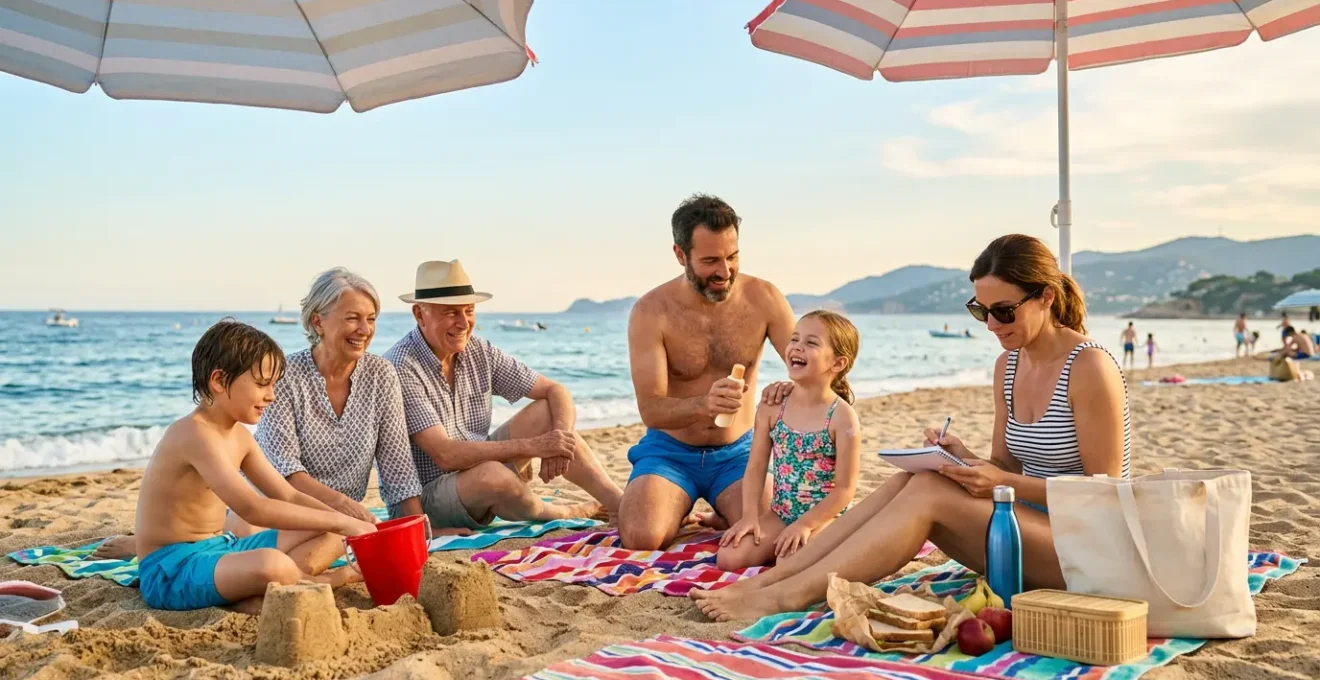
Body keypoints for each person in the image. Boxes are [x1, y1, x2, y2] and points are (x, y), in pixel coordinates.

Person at [692, 234, 1130, 622]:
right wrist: (965, 459)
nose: (993, 325)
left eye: (1004, 311)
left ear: (1047, 297)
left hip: (1087, 550)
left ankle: (789, 594)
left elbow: (1103, 491)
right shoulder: (1009, 364)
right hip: (1019, 530)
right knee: (916, 476)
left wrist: (1001, 479)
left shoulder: (1088, 366)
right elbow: (1006, 466)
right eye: (981, 311)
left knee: (927, 491)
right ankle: (773, 580)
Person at [133, 320, 376, 613]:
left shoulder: (239, 437)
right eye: (262, 384)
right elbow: (252, 507)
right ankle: (322, 580)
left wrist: (346, 524)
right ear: (219, 381)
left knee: (334, 536)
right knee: (274, 564)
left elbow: (289, 496)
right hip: (172, 569)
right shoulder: (193, 433)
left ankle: (262, 591)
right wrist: (342, 521)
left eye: (273, 385)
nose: (271, 395)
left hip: (222, 548)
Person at [384, 259, 624, 531]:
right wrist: (536, 447)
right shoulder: (401, 367)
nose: (464, 323)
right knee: (492, 475)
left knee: (547, 411)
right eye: (451, 312)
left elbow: (556, 390)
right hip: (428, 498)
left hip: (478, 468)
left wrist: (558, 439)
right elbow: (446, 455)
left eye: (469, 310)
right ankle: (565, 511)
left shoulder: (478, 351)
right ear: (419, 314)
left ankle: (619, 504)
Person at [619, 193, 796, 550]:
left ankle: (721, 508)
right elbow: (650, 409)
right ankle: (677, 501)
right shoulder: (651, 312)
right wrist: (704, 404)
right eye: (711, 260)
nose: (725, 271)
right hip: (669, 451)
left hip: (741, 452)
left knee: (766, 535)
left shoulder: (764, 298)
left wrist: (791, 391)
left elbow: (809, 367)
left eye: (732, 257)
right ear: (680, 255)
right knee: (642, 538)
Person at [715, 311, 861, 571]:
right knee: (729, 558)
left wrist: (805, 525)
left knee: (789, 562)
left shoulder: (842, 417)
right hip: (780, 513)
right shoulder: (773, 406)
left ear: (838, 363)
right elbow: (757, 466)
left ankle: (835, 543)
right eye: (795, 339)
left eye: (811, 343)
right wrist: (749, 517)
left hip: (824, 518)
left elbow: (845, 490)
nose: (797, 346)